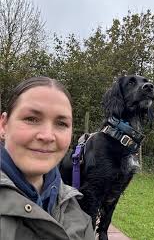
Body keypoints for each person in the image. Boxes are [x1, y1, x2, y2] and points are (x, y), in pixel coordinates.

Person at [0, 76, 95, 240]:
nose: (47, 136)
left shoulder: (79, 216)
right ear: (3, 125)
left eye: (61, 123)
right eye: (31, 119)